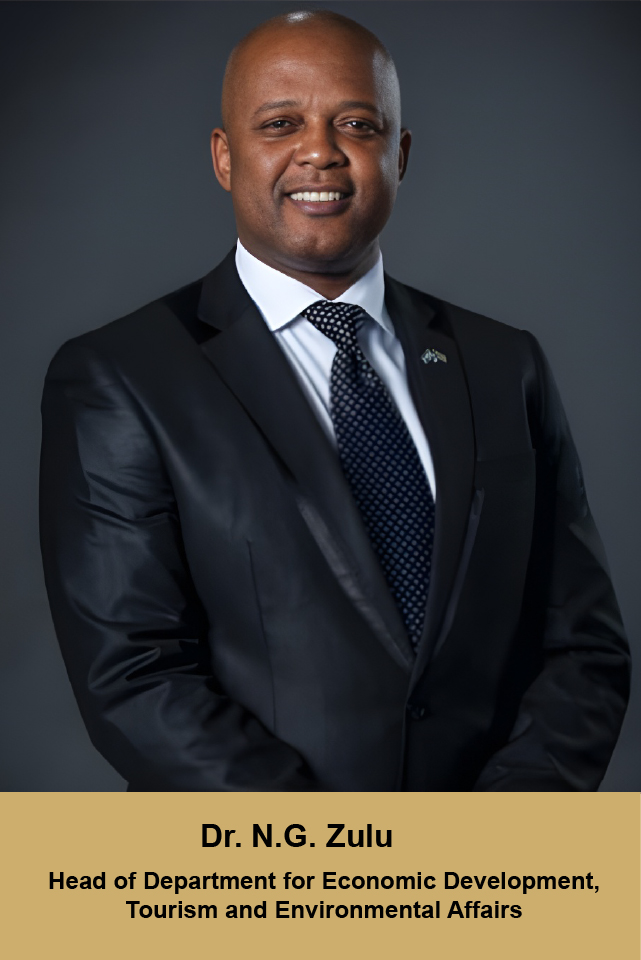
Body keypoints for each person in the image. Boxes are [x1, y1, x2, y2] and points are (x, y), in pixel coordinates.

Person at [39, 10, 630, 792]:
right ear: (224, 157)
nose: (319, 150)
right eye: (279, 124)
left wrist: (495, 840)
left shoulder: (502, 363)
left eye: (356, 124)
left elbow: (582, 644)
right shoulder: (121, 376)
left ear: (399, 154)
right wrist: (340, 853)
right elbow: (135, 675)